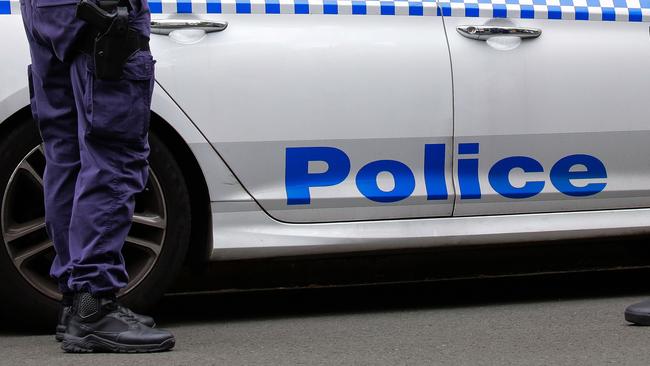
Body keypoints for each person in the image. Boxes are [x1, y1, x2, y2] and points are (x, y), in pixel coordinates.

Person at [19, 0, 175, 353]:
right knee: (114, 154)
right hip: (99, 9)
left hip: (46, 10)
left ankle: (74, 301)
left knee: (66, 155)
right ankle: (93, 306)